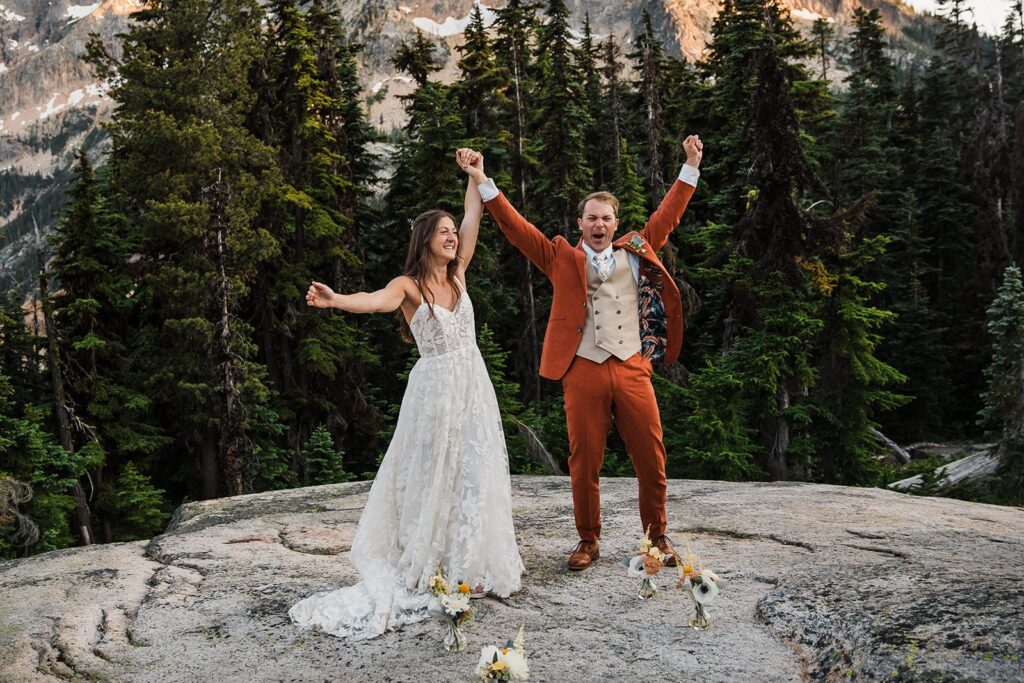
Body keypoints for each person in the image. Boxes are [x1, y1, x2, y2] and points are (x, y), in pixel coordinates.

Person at [289, 149, 523, 640]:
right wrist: (335, 301)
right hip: (435, 391)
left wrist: (475, 175)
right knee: (433, 472)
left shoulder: (459, 275)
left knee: (472, 471)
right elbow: (374, 303)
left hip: (472, 386)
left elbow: (473, 213)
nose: (452, 237)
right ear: (425, 241)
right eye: (443, 233)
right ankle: (428, 562)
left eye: (451, 233)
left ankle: (469, 565)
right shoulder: (408, 286)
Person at [459, 136, 703, 570]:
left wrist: (689, 166)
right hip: (583, 369)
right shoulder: (560, 257)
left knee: (651, 456)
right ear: (580, 223)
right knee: (584, 461)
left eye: (606, 218)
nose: (599, 224)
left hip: (632, 365)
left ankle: (656, 539)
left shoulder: (637, 249)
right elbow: (517, 229)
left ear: (615, 223)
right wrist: (481, 180)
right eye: (592, 218)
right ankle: (588, 541)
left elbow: (668, 216)